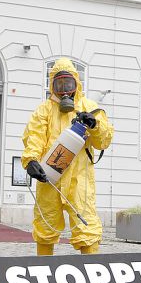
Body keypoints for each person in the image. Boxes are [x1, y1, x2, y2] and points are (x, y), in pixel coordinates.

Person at [22, 58, 113, 255]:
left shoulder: (89, 107)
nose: (64, 91)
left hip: (80, 178)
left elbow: (103, 141)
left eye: (68, 84)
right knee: (45, 224)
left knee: (86, 228)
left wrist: (95, 125)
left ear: (76, 84)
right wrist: (31, 160)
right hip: (49, 176)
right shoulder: (44, 110)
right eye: (59, 85)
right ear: (52, 86)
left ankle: (92, 268)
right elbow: (34, 137)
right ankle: (43, 268)